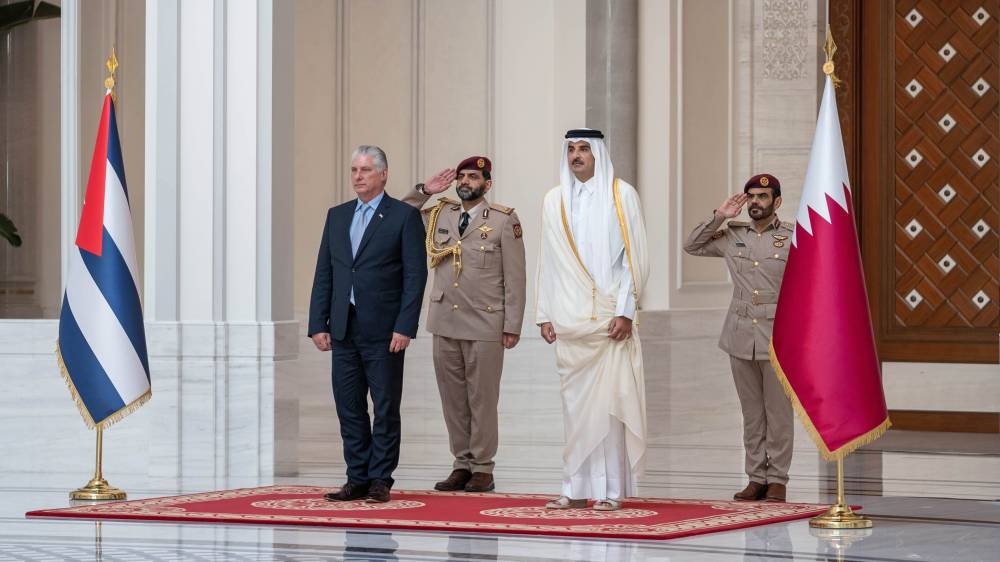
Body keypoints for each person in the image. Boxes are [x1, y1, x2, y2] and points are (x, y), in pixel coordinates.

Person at [535, 128, 649, 512]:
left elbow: (635, 259)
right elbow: (546, 261)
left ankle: (612, 491)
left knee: (611, 406)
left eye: (584, 149)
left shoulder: (622, 195)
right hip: (568, 321)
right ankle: (574, 487)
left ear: (598, 153)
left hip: (608, 321)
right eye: (571, 149)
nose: (577, 155)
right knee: (575, 409)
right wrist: (544, 312)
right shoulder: (554, 201)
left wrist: (626, 311)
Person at [308, 145, 428, 504]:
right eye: (354, 170)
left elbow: (415, 276)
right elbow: (325, 272)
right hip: (344, 328)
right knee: (349, 407)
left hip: (385, 330)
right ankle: (356, 477)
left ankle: (380, 479)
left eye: (365, 170)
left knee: (385, 406)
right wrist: (318, 323)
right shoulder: (338, 216)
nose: (358, 177)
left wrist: (405, 326)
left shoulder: (403, 216)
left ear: (384, 174)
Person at [402, 156, 527, 493]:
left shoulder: (503, 220)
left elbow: (515, 278)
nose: (465, 182)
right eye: (461, 176)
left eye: (473, 177)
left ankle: (483, 467)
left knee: (482, 398)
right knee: (453, 399)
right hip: (445, 320)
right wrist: (425, 191)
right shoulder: (440, 213)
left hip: (485, 321)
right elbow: (398, 218)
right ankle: (461, 463)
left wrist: (512, 324)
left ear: (487, 184)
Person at [682, 173, 794, 502]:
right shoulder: (733, 235)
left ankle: (777, 479)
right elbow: (692, 245)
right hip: (740, 334)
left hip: (778, 335)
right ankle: (756, 477)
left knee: (778, 413)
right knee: (751, 413)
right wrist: (720, 215)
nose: (756, 203)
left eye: (762, 196)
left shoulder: (792, 238)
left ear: (777, 202)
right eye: (751, 197)